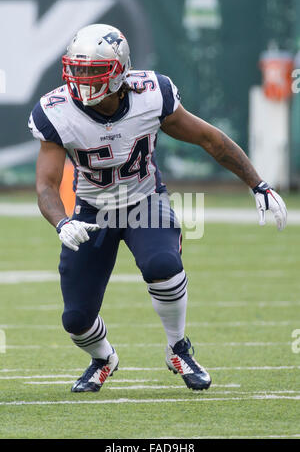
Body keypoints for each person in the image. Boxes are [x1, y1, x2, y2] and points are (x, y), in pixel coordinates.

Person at [28, 24, 287, 393]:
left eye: (92, 71)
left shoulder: (152, 95)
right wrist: (61, 222)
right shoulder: (57, 110)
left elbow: (208, 139)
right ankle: (103, 358)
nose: (81, 80)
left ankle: (178, 348)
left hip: (143, 200)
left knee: (162, 265)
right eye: (77, 69)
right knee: (76, 320)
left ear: (119, 71)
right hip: (91, 210)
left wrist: (257, 183)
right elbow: (46, 185)